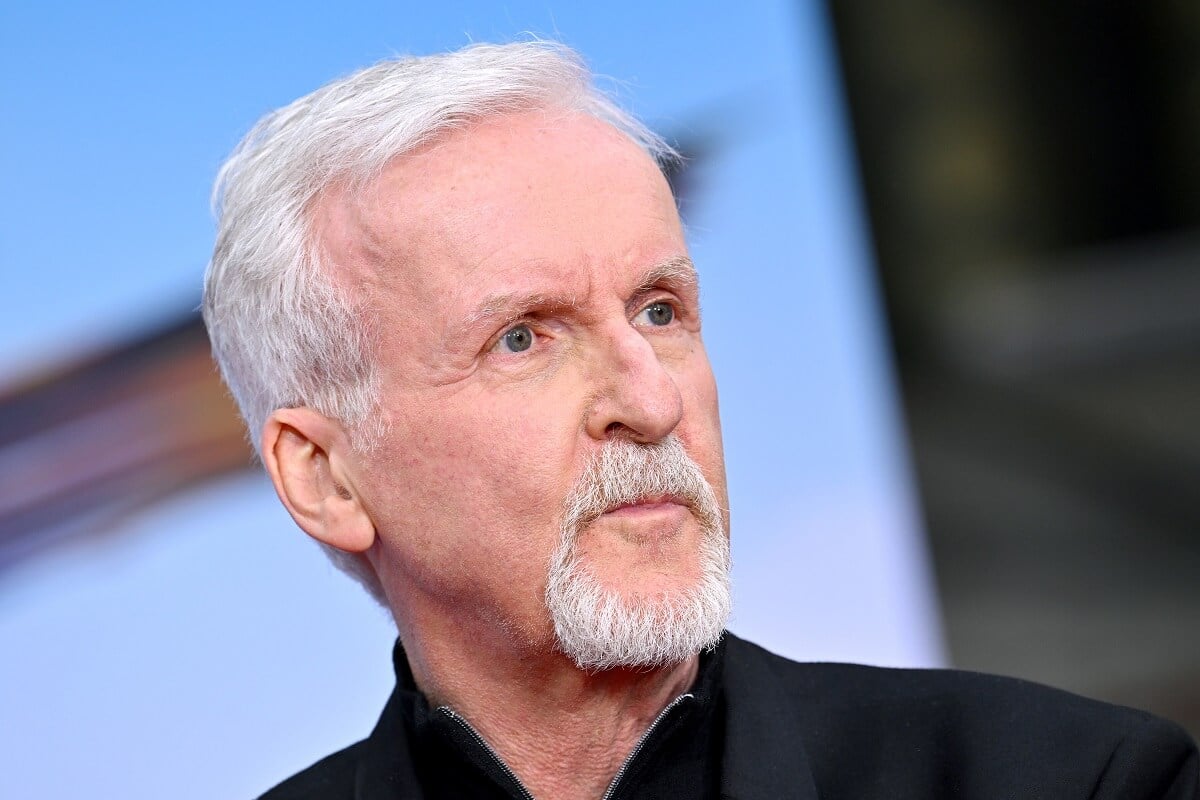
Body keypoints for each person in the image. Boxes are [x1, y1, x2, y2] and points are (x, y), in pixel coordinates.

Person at [203, 41, 1198, 800]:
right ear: (325, 476)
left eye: (659, 311)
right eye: (523, 338)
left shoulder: (1075, 779)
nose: (651, 400)